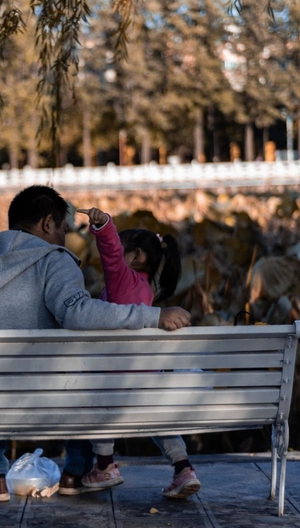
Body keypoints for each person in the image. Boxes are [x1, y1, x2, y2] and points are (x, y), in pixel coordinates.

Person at [0, 185, 191, 502]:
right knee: (85, 379)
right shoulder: (54, 259)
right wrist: (152, 316)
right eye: (63, 228)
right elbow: (78, 313)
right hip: (46, 396)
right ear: (48, 223)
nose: (64, 237)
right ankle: (74, 473)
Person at [77, 206, 202, 500]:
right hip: (146, 379)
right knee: (159, 418)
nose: (115, 256)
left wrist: (104, 226)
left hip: (116, 380)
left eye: (123, 248)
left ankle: (105, 465)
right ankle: (183, 468)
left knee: (97, 397)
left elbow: (110, 254)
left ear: (135, 256)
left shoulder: (122, 280)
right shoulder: (146, 289)